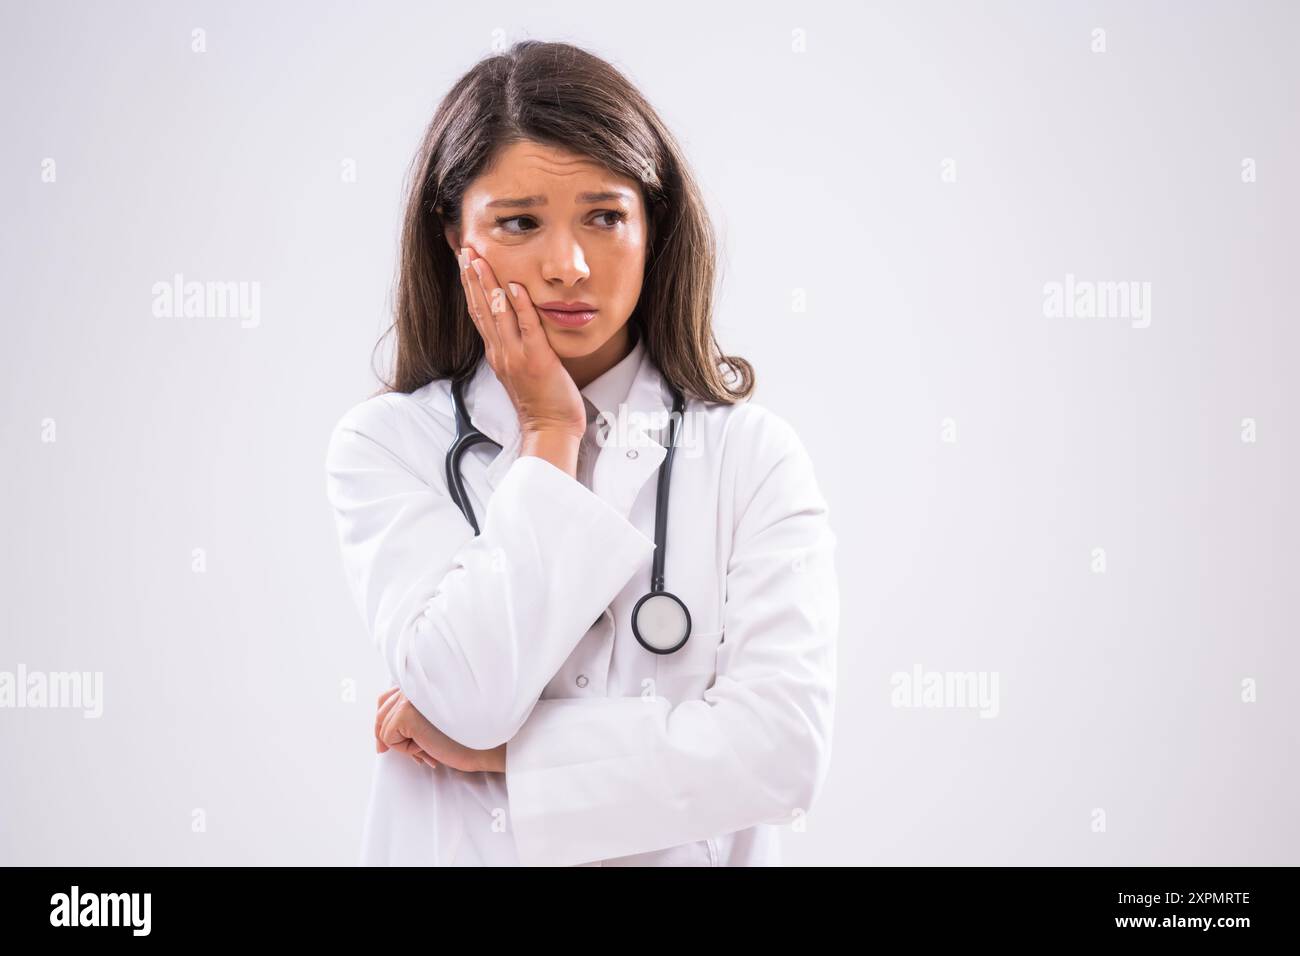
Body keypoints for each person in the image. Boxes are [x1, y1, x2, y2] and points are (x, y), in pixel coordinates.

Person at [324, 40, 839, 866]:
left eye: (604, 216)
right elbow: (467, 699)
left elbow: (781, 752)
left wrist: (510, 763)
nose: (568, 267)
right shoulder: (390, 448)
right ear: (454, 236)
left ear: (653, 227)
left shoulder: (750, 457)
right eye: (520, 222)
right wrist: (548, 434)